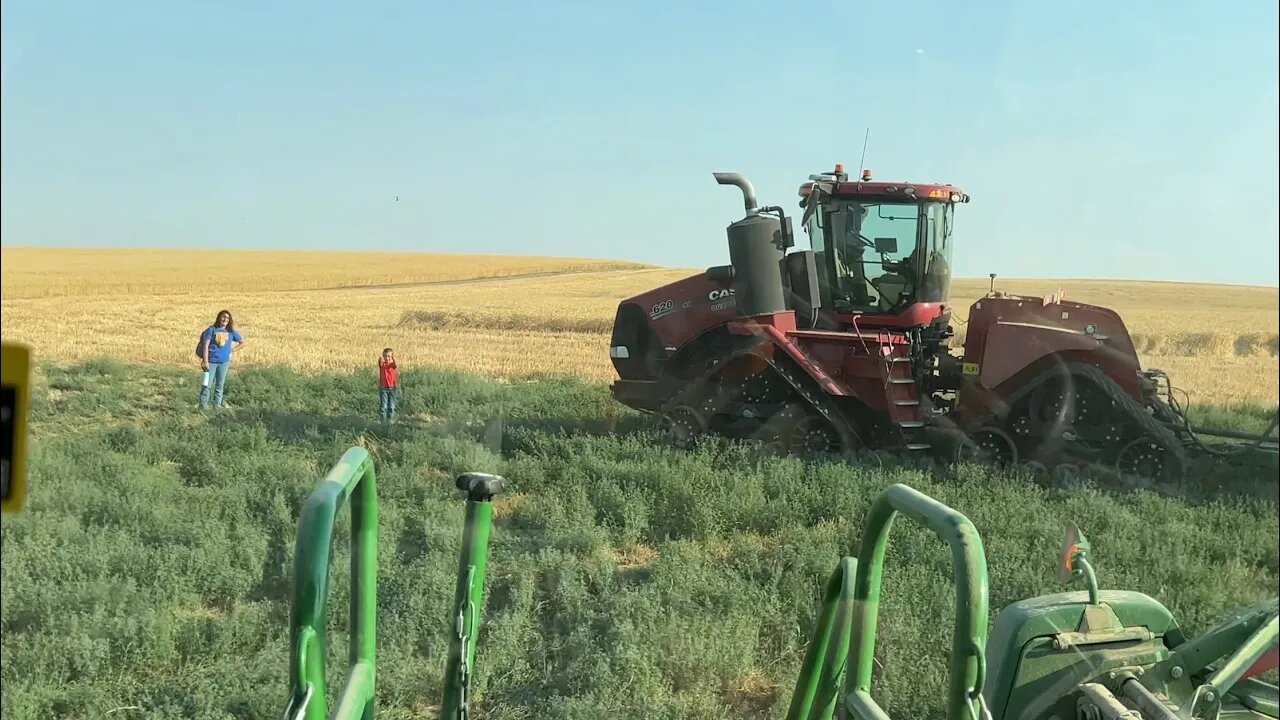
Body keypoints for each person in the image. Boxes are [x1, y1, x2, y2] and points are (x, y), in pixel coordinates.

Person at [197, 310, 245, 409]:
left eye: (227, 318)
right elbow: (205, 347)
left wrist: (231, 350)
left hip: (224, 363)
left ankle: (217, 406)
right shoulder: (211, 330)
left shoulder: (230, 332)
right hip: (210, 362)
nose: (225, 319)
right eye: (223, 317)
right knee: (207, 384)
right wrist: (205, 361)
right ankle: (203, 406)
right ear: (219, 318)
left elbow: (242, 343)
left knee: (220, 385)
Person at [378, 348, 399, 423]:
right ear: (383, 356)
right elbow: (379, 362)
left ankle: (390, 423)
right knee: (383, 407)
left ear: (392, 357)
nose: (387, 358)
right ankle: (383, 423)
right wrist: (380, 359)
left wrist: (392, 359)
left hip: (393, 388)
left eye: (389, 356)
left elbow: (395, 364)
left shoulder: (392, 365)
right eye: (385, 356)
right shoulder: (382, 365)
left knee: (391, 407)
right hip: (383, 388)